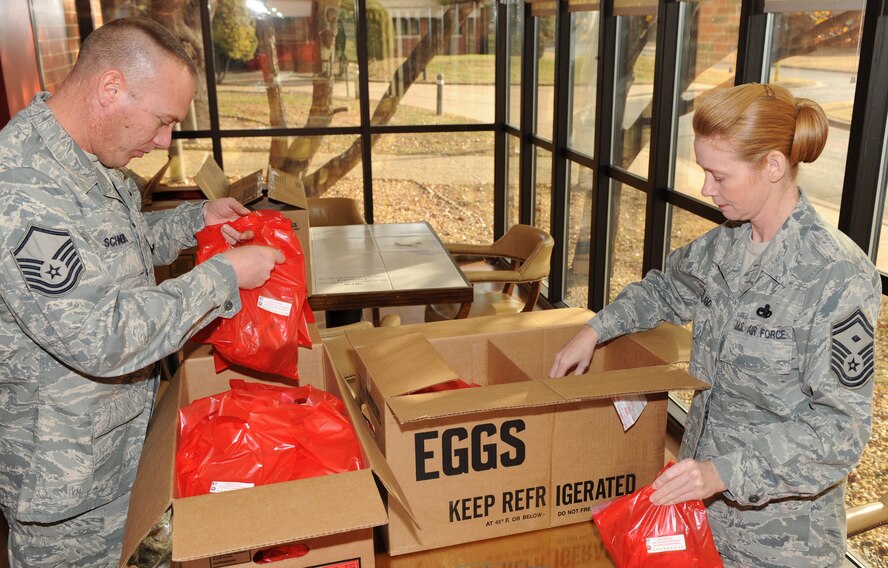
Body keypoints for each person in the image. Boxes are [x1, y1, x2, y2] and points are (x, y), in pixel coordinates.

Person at [549, 83, 881, 567]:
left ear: (772, 166)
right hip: (703, 521)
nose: (706, 189)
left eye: (718, 175)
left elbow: (840, 430)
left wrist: (721, 472)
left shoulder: (836, 275)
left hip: (782, 544)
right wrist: (595, 330)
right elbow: (664, 288)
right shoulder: (726, 245)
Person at [0, 17, 284, 566]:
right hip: (70, 488)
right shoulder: (20, 189)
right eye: (162, 121)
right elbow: (103, 335)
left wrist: (194, 221)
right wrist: (225, 275)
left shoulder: (88, 155)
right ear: (110, 88)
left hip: (126, 449)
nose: (163, 141)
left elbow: (114, 247)